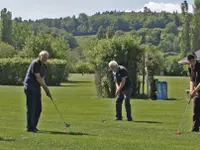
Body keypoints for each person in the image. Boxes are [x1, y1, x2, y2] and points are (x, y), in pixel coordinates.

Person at [23, 51, 52, 132]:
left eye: (46, 57)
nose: (44, 59)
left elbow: (42, 79)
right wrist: (46, 89)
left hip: (36, 88)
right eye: (43, 57)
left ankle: (34, 126)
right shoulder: (35, 63)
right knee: (31, 108)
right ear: (39, 56)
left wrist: (47, 91)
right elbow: (38, 78)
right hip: (30, 87)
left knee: (38, 108)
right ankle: (30, 127)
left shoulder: (44, 66)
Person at [187, 53, 200, 132]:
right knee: (196, 107)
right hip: (197, 90)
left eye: (193, 58)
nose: (192, 61)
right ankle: (195, 128)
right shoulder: (190, 68)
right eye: (190, 59)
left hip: (198, 89)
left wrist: (195, 91)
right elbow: (191, 80)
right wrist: (191, 90)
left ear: (195, 58)